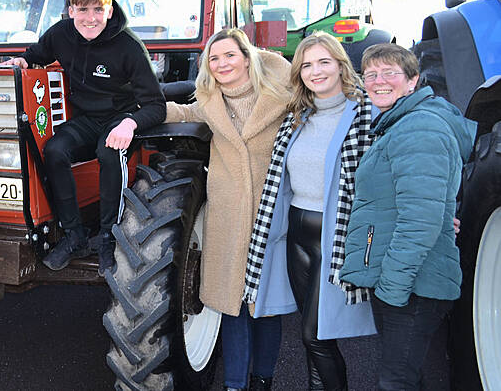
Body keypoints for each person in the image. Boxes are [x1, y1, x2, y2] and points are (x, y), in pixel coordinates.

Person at [0, 0, 165, 275]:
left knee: (108, 152)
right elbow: (35, 54)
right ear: (71, 10)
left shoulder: (129, 46)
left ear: (109, 11)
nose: (91, 18)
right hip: (87, 119)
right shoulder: (61, 34)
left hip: (121, 118)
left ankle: (108, 238)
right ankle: (74, 234)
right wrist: (21, 62)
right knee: (54, 150)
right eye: (83, 9)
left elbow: (157, 105)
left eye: (98, 10)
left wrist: (129, 123)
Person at [243, 33, 376, 391]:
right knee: (315, 336)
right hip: (297, 234)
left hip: (335, 234)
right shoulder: (297, 116)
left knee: (314, 334)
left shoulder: (366, 112)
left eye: (324, 62)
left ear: (340, 65)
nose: (315, 71)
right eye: (306, 65)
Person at [340, 43, 475, 390]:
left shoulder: (419, 129)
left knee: (395, 382)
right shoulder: (401, 124)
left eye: (390, 73)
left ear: (413, 81)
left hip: (413, 284)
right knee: (405, 377)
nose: (378, 81)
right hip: (408, 279)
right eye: (370, 74)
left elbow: (420, 220)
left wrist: (392, 287)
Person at [164, 28, 290, 391]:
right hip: (227, 214)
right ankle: (234, 384)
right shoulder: (210, 102)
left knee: (265, 305)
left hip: (269, 214)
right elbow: (181, 110)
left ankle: (262, 379)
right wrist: (137, 110)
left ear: (248, 57)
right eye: (214, 59)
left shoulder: (281, 95)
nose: (222, 64)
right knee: (230, 303)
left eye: (229, 55)